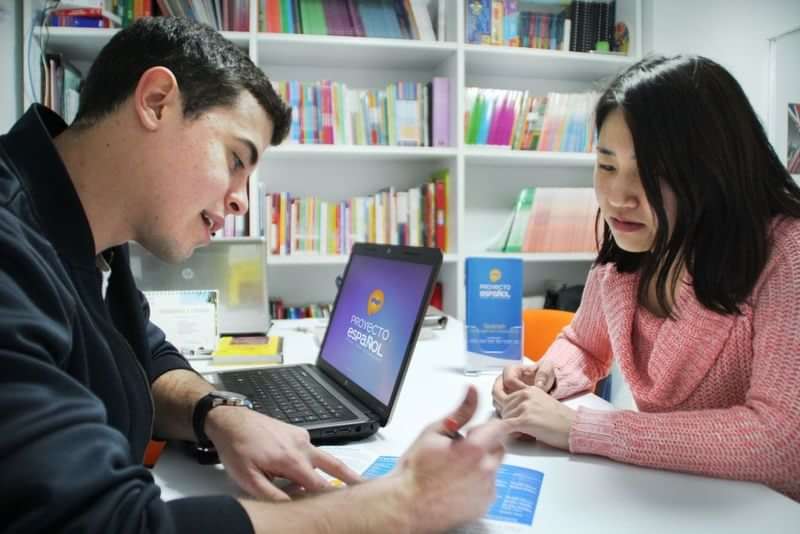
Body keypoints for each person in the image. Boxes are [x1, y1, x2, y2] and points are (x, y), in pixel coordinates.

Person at [0, 17, 511, 533]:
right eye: (236, 159)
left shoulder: (91, 228)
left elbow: (143, 355)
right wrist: (406, 503)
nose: (242, 200)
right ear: (156, 101)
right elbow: (102, 525)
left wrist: (217, 414)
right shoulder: (8, 246)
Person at [493, 54, 800, 502]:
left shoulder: (786, 254)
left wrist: (583, 428)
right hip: (673, 498)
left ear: (715, 168)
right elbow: (583, 344)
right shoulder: (628, 251)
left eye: (652, 172)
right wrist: (545, 379)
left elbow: (780, 441)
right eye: (607, 165)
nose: (618, 197)